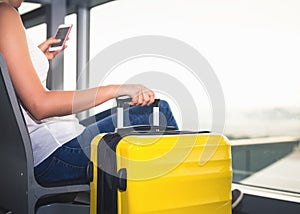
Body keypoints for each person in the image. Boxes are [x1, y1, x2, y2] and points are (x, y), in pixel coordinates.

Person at [0, 0, 242, 209]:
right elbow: (39, 104)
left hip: (36, 153)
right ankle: (198, 198)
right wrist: (118, 89)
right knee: (155, 112)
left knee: (141, 117)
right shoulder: (5, 13)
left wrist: (38, 57)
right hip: (56, 155)